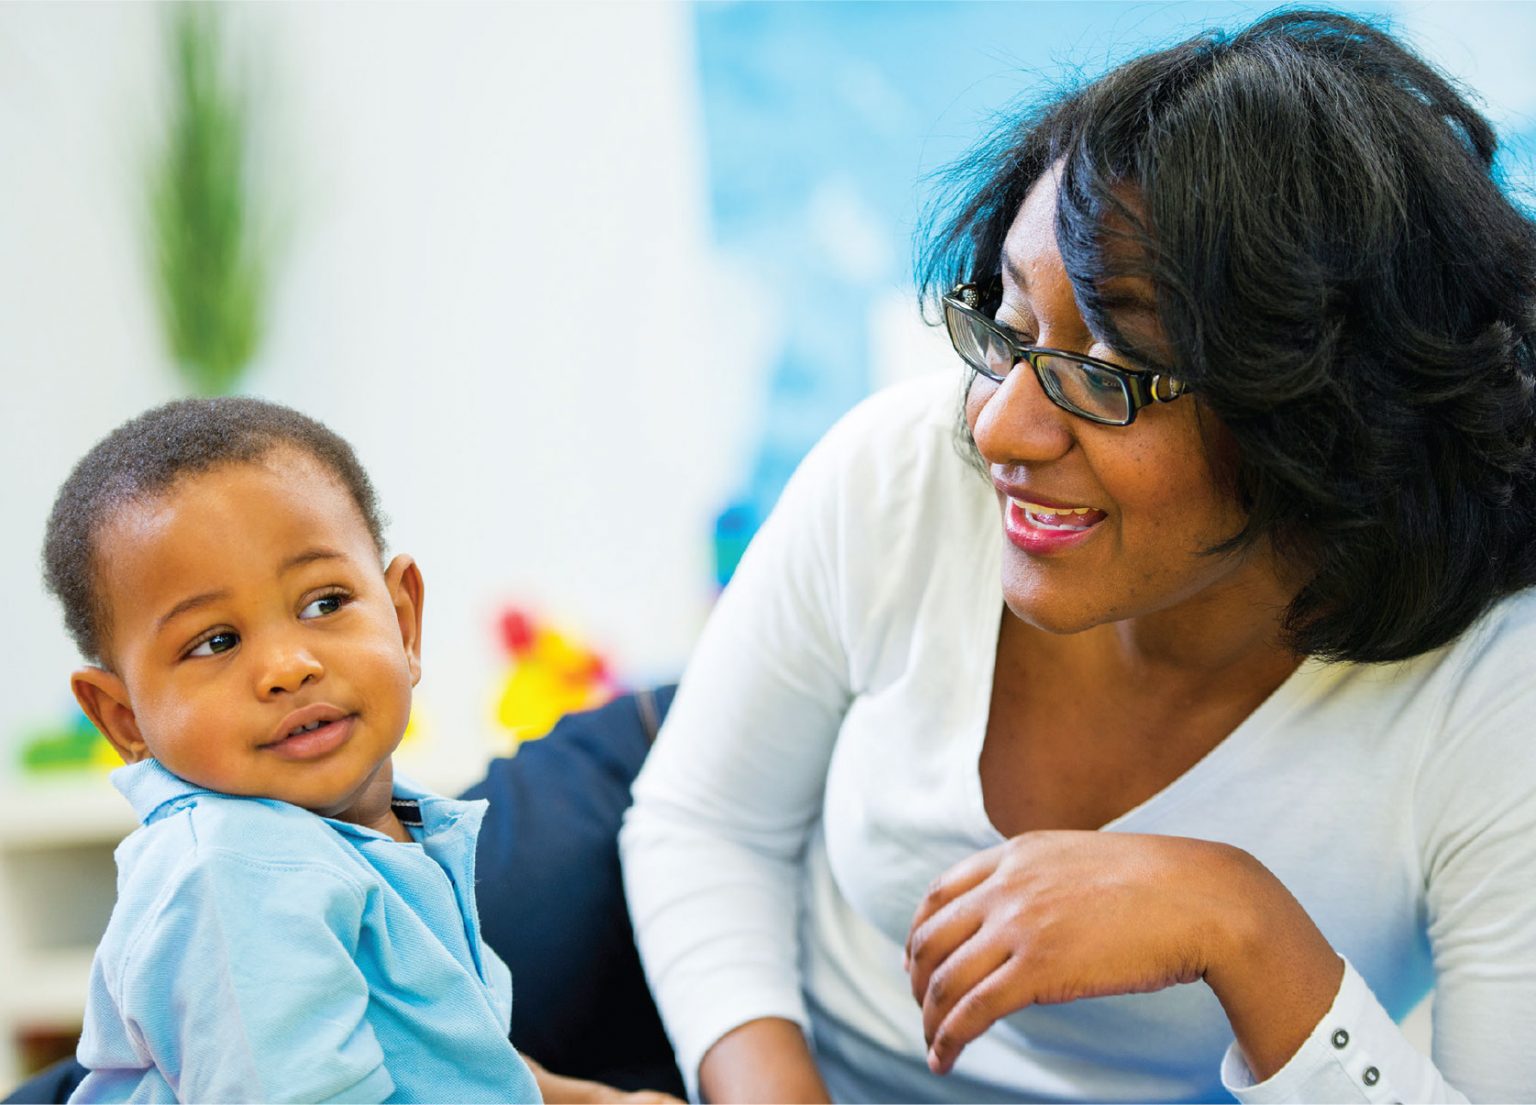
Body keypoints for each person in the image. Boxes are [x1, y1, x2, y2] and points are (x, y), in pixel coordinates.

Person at [620, 10, 1536, 1103]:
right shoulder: (909, 463)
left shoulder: (1495, 691)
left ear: (1328, 411)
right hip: (742, 1004)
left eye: (1112, 371)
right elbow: (702, 824)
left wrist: (1241, 923)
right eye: (1008, 325)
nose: (1002, 430)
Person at [41, 399, 674, 1104]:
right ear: (125, 717)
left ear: (404, 622)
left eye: (324, 602)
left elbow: (449, 1060)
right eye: (215, 641)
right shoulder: (232, 873)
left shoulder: (368, 835)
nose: (288, 664)